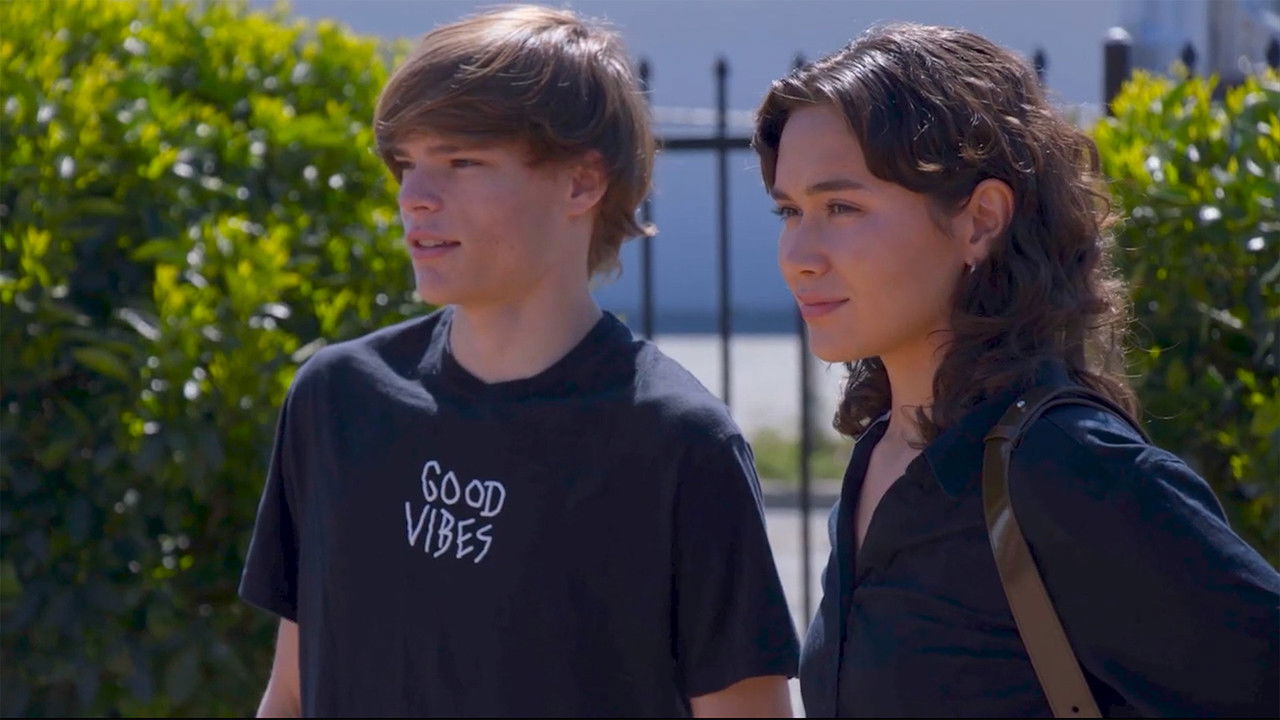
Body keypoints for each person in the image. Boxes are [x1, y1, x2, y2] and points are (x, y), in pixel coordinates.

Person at [239, 6, 798, 717]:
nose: (415, 198)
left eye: (462, 162)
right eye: (406, 164)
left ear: (581, 183)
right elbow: (291, 691)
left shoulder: (677, 444)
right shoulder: (337, 400)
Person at [752, 22, 1280, 718]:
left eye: (841, 207)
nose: (798, 255)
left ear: (980, 220)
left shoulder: (1067, 467)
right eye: (790, 211)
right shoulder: (883, 451)